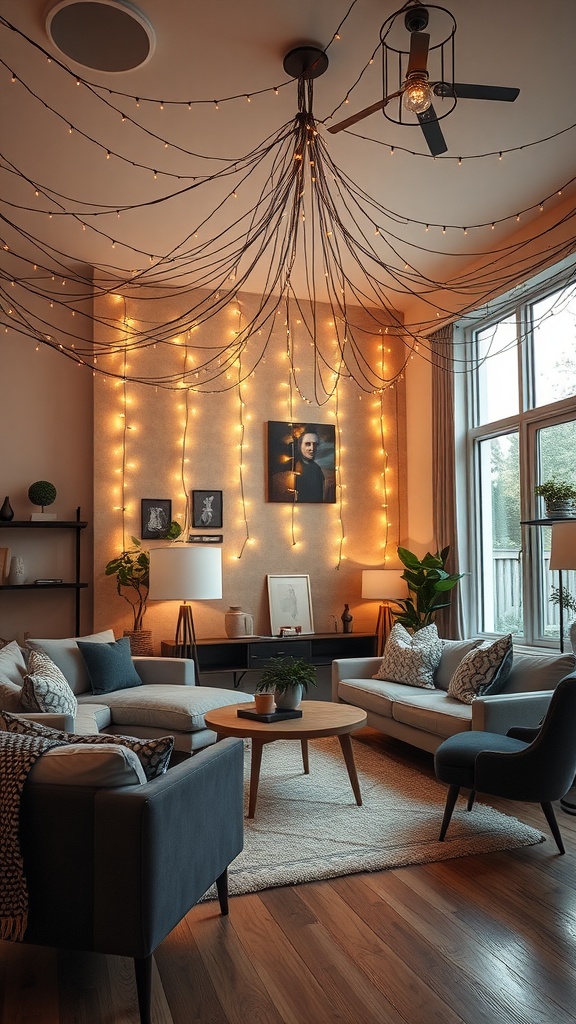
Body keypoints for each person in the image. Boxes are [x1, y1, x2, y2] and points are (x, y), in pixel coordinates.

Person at [294, 427, 325, 502]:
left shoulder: (317, 469)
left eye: (315, 445)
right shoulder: (292, 466)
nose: (312, 448)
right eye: (308, 444)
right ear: (299, 445)